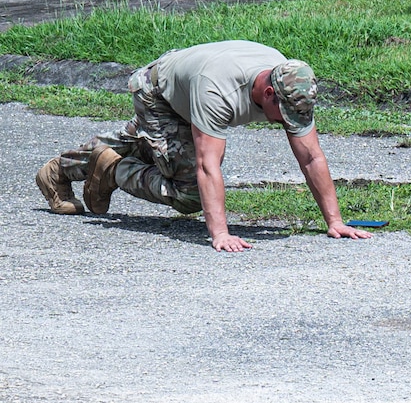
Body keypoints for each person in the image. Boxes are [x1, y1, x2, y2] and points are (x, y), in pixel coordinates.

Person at [34, 40, 367, 254]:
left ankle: (57, 171)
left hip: (183, 85)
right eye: (287, 115)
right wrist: (220, 233)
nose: (290, 122)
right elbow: (208, 166)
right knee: (189, 191)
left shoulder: (290, 84)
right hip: (158, 93)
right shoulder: (218, 92)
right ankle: (114, 171)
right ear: (268, 93)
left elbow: (311, 156)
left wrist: (334, 221)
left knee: (140, 142)